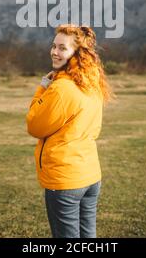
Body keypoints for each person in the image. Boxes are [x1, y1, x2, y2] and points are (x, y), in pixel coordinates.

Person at [26, 23, 113, 238]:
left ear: (78, 53)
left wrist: (43, 87)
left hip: (66, 181)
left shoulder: (62, 88)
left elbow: (34, 125)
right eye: (54, 46)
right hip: (90, 176)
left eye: (62, 48)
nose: (54, 52)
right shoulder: (92, 83)